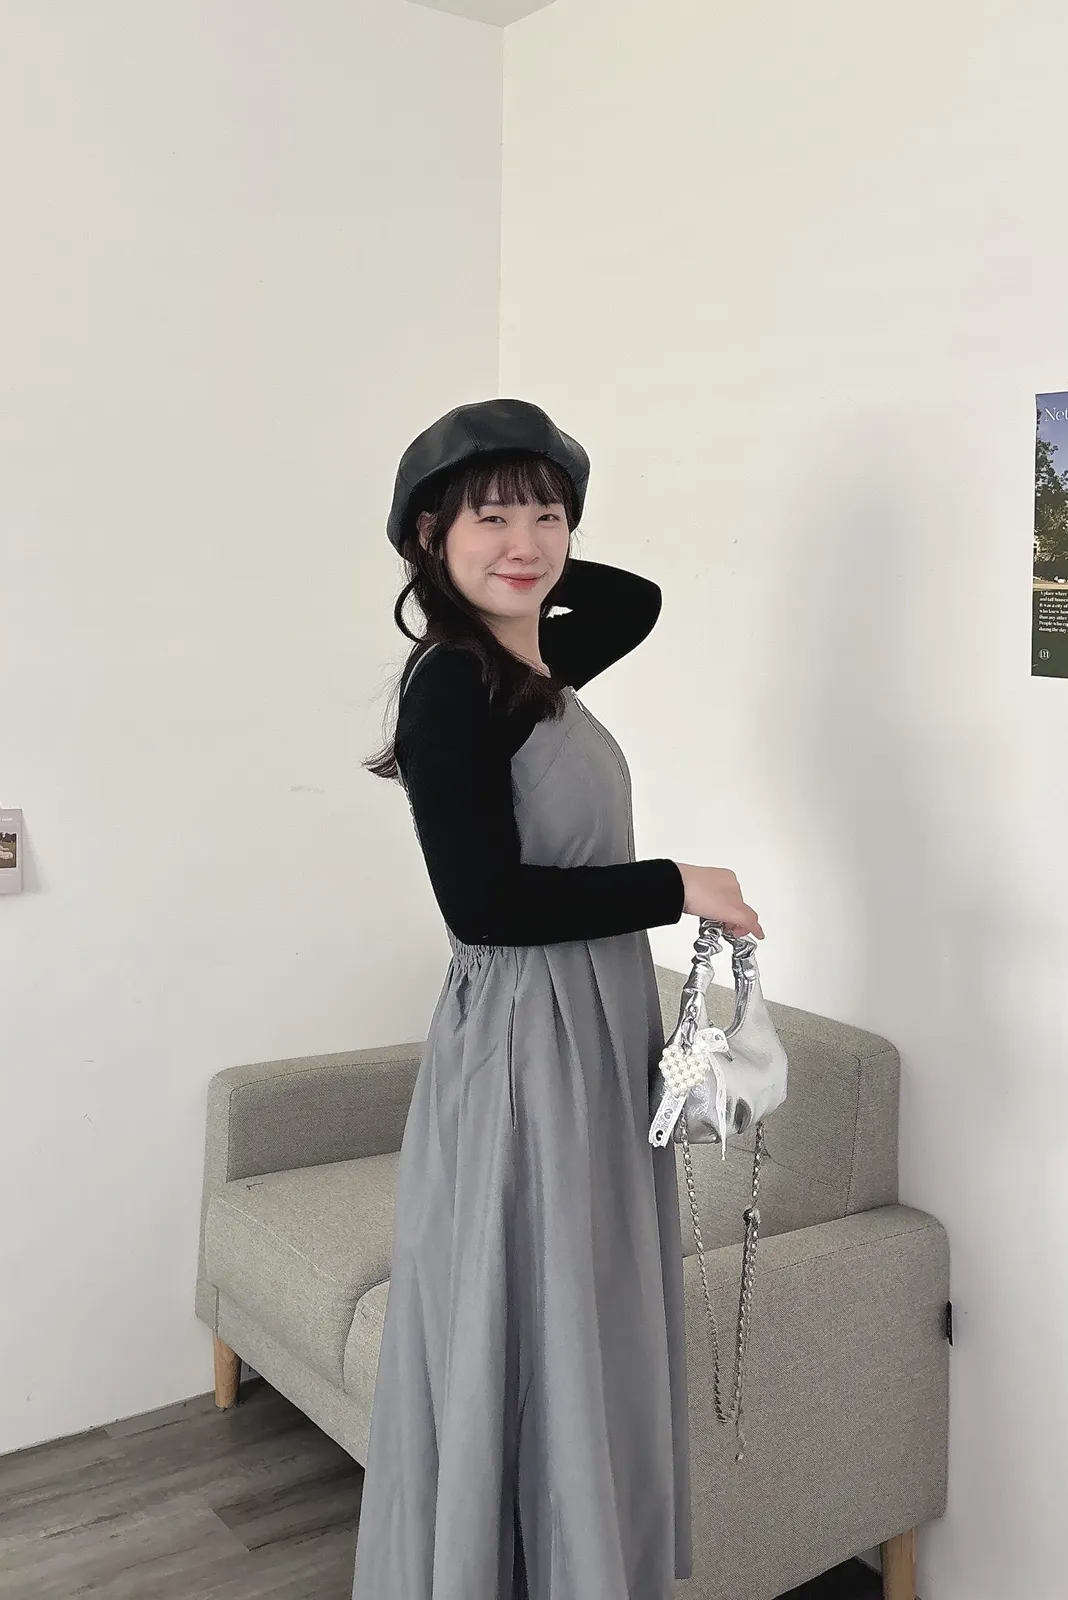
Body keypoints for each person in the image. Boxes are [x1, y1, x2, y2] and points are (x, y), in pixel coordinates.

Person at [352, 398, 763, 1600]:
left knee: (583, 1307)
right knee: (532, 1307)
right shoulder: (453, 685)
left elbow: (633, 602)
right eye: (490, 517)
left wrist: (512, 573)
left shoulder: (526, 669)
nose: (526, 542)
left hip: (587, 1031)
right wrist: (677, 883)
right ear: (428, 534)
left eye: (548, 515)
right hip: (528, 1042)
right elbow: (483, 904)